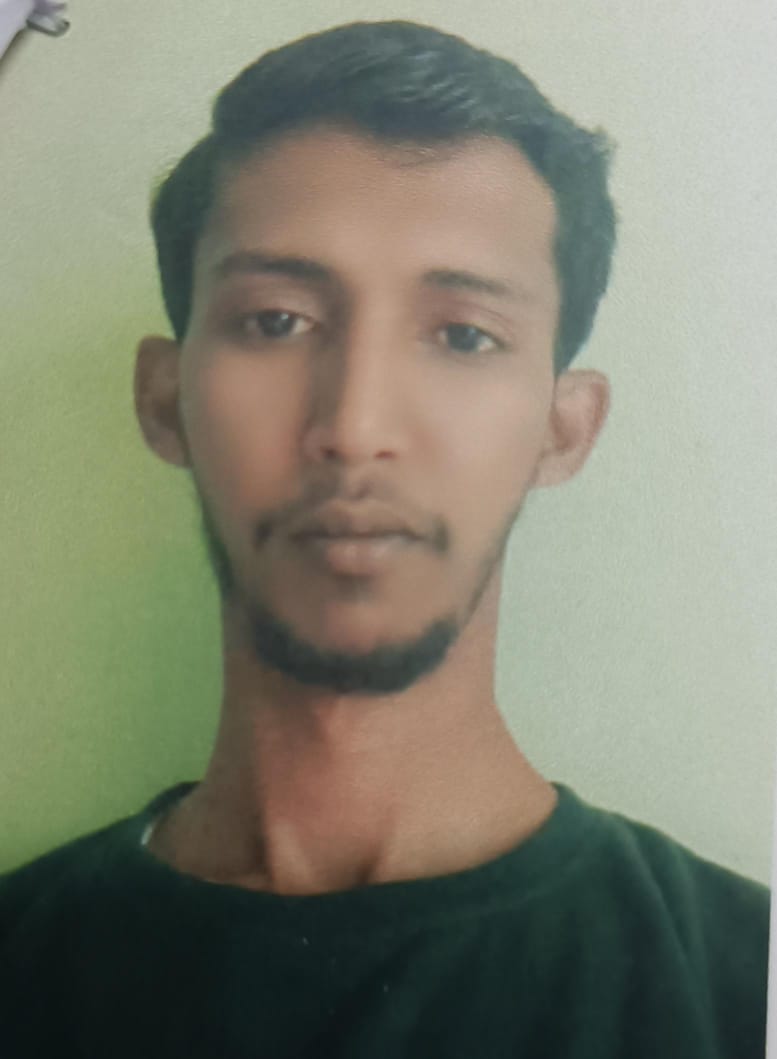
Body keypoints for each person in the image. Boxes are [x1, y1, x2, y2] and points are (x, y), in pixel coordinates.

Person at [0, 20, 768, 1059]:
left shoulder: (746, 992)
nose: (356, 426)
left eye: (463, 335)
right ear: (166, 398)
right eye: (276, 321)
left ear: (563, 428)